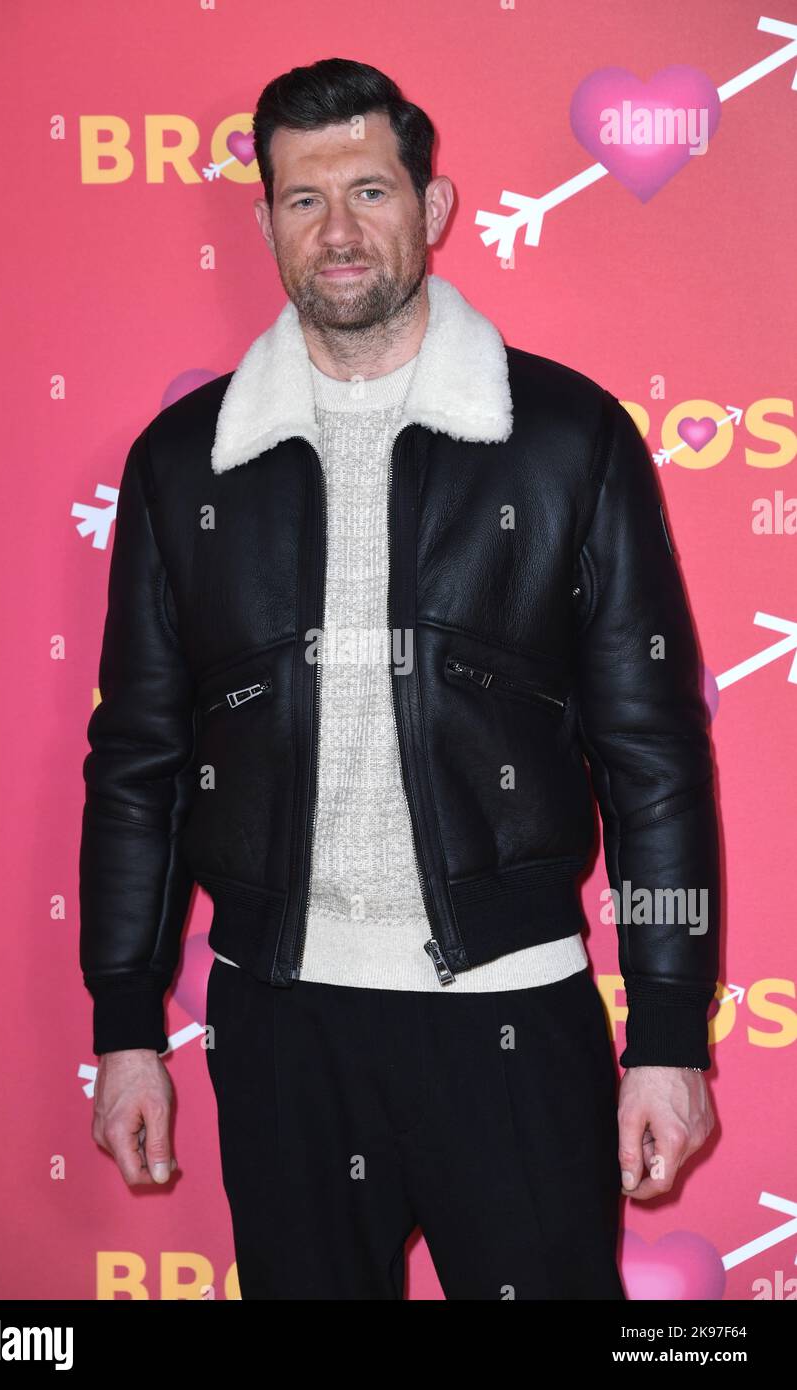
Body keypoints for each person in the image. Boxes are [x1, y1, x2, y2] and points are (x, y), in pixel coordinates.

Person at [79, 58, 719, 1300]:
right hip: (278, 1026)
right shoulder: (184, 463)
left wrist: (666, 1031)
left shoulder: (566, 437)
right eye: (301, 198)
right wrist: (124, 1023)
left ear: (431, 208)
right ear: (264, 219)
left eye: (369, 189)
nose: (337, 230)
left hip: (513, 1019)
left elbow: (652, 758)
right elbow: (138, 760)